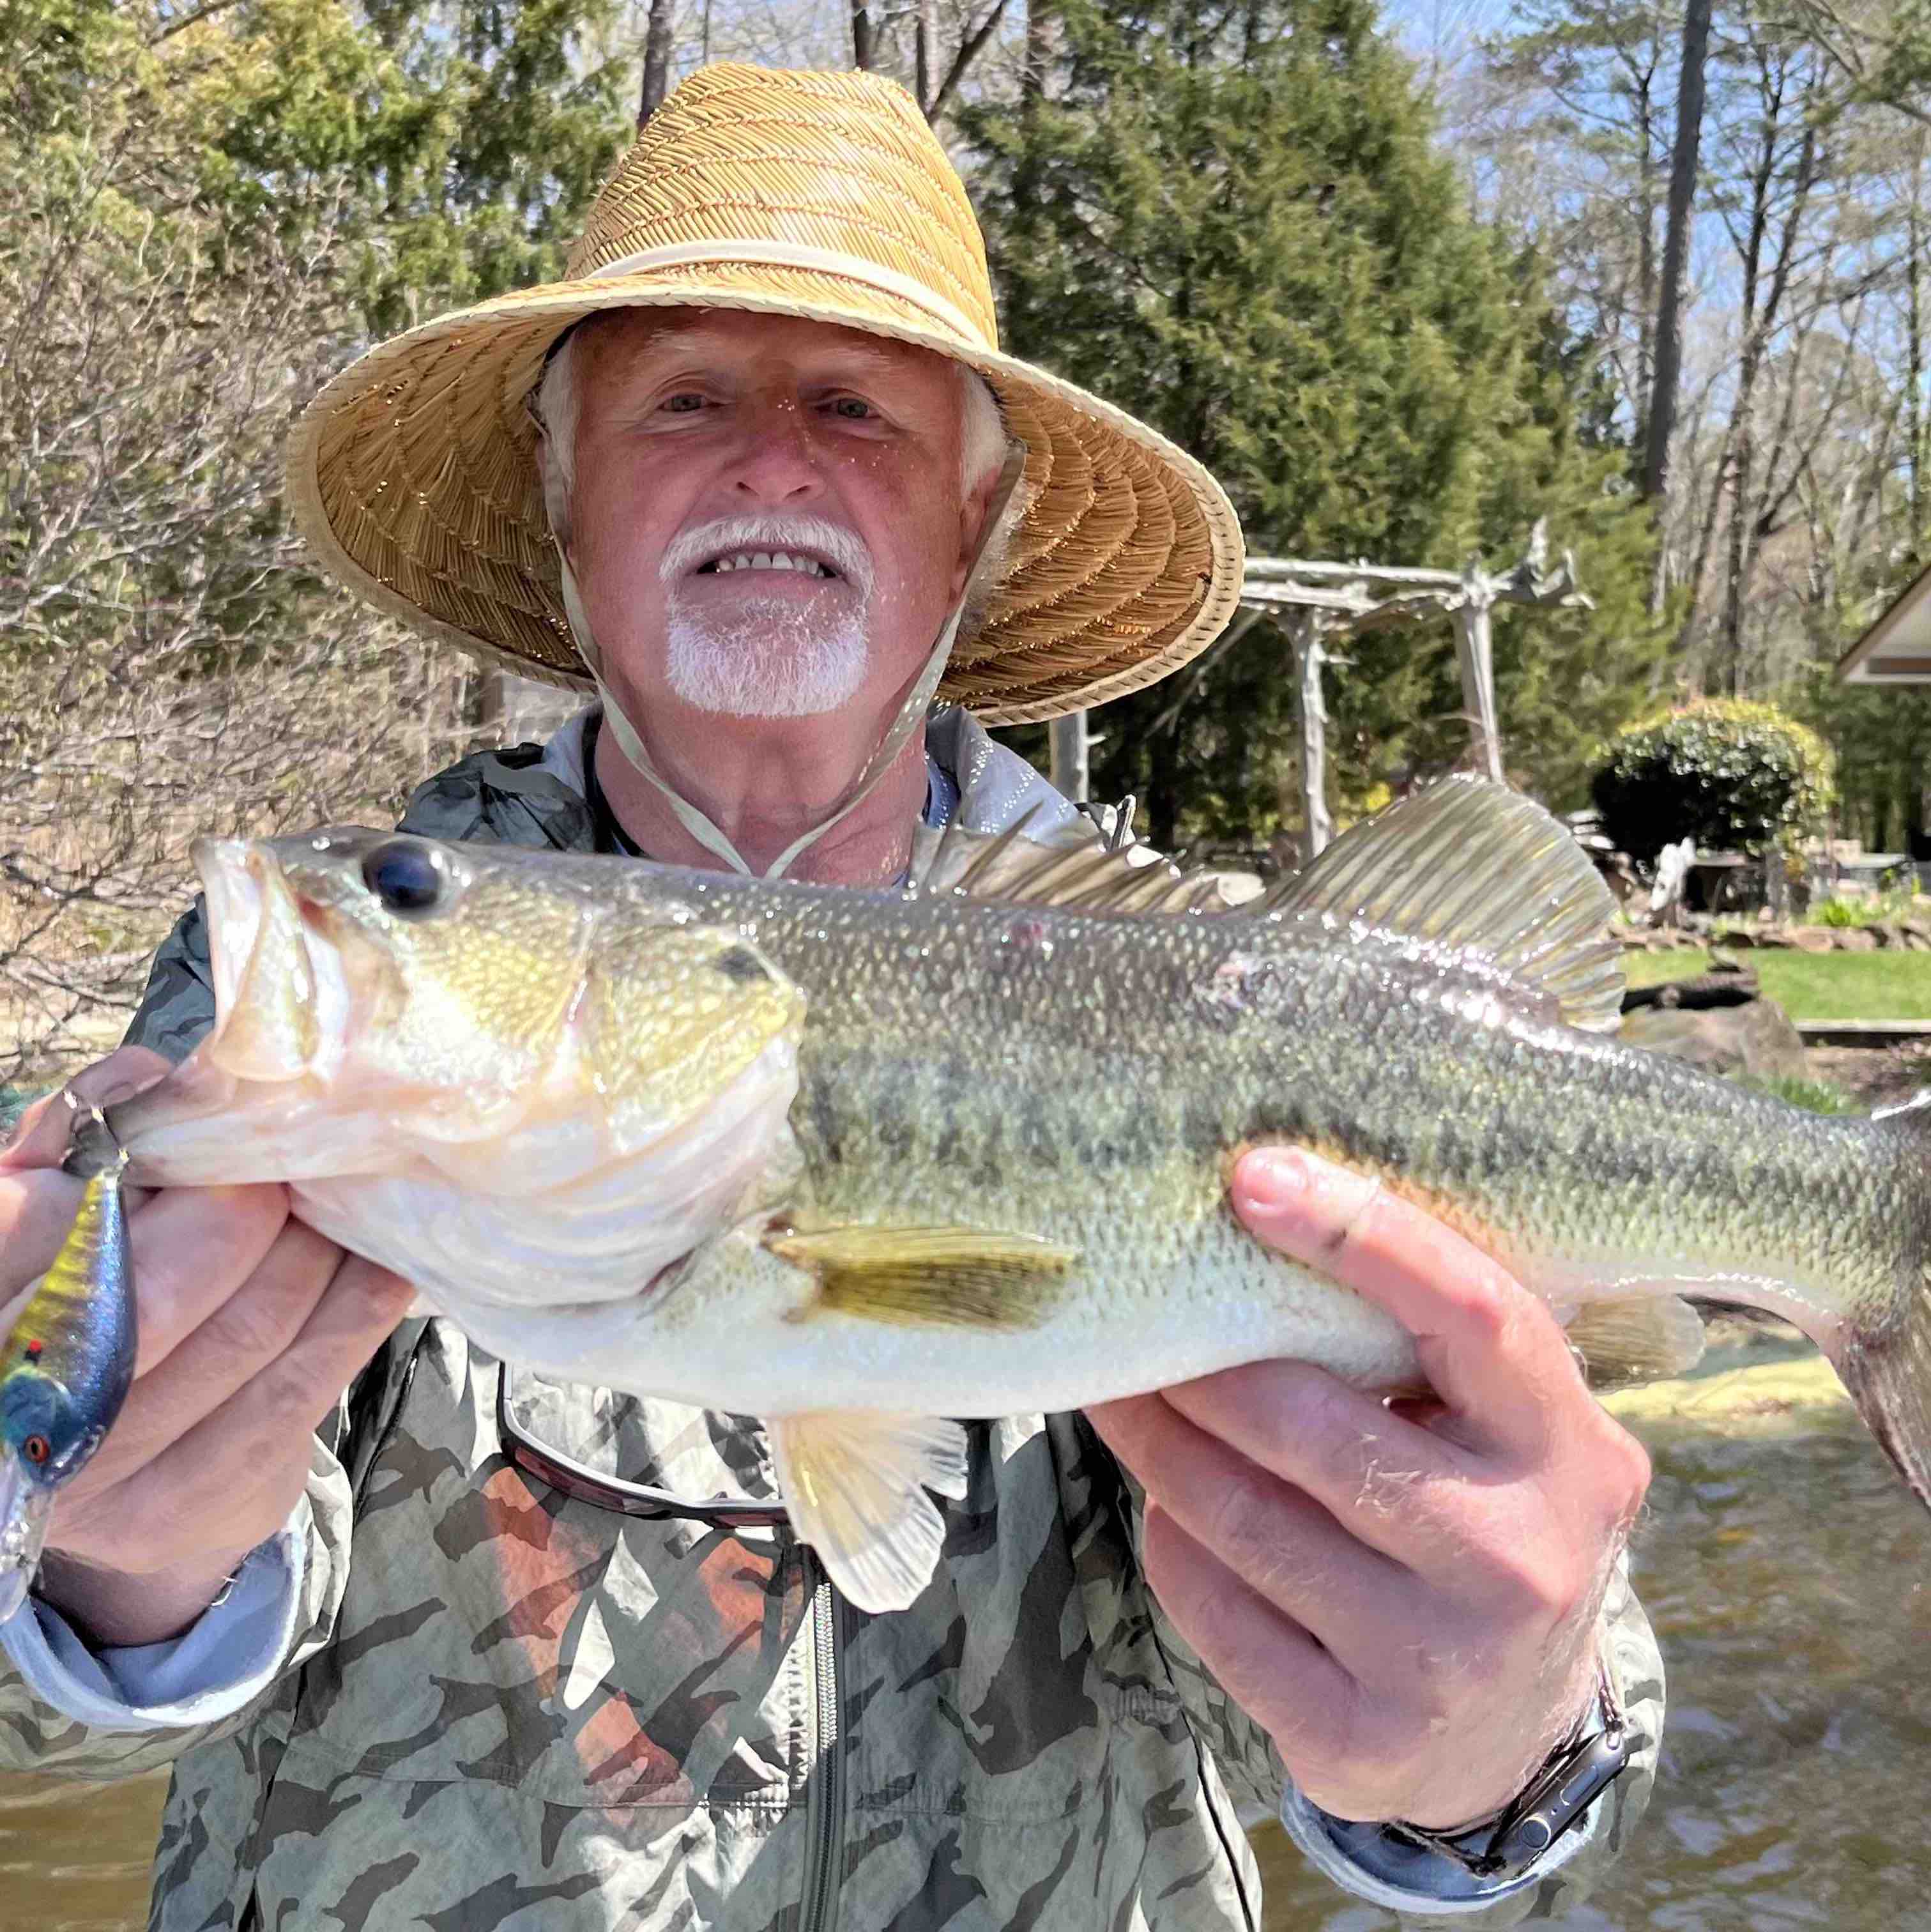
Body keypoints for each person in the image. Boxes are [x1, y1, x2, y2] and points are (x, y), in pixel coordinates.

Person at [0, 65, 1661, 1929]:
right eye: (684, 399)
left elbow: (1557, 1668)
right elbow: (51, 1725)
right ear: (566, 516)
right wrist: (93, 1569)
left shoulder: (1243, 994)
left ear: (980, 528)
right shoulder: (337, 995)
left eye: (855, 408)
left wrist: (1490, 1750)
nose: (770, 461)